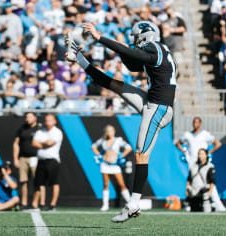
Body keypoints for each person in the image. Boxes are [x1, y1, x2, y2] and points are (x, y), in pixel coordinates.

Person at [67, 20, 176, 222]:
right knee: (115, 85)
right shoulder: (157, 50)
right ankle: (80, 59)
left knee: (141, 153)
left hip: (159, 108)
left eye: (136, 38)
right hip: (151, 102)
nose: (134, 42)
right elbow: (132, 61)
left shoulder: (155, 49)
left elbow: (132, 55)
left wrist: (99, 37)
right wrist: (83, 55)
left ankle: (134, 205)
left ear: (145, 36)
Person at [175, 117, 226, 212]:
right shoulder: (187, 135)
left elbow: (218, 143)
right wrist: (185, 152)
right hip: (193, 164)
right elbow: (178, 143)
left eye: (197, 122)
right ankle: (190, 203)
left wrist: (208, 153)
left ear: (200, 123)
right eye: (194, 122)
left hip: (204, 164)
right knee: (192, 184)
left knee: (209, 183)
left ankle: (217, 203)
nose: (195, 124)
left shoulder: (205, 134)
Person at [91, 125, 132, 211]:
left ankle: (130, 203)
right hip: (105, 164)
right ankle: (105, 205)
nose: (109, 132)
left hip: (115, 165)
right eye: (108, 131)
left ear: (114, 131)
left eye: (111, 131)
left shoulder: (118, 140)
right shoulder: (102, 140)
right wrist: (99, 155)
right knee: (106, 185)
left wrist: (121, 156)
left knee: (122, 184)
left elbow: (129, 148)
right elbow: (93, 146)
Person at [32, 114, 63, 211]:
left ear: (54, 121)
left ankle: (52, 204)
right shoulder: (40, 131)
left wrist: (40, 143)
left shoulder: (57, 132)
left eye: (50, 120)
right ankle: (40, 204)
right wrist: (44, 143)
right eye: (46, 120)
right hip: (41, 160)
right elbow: (34, 143)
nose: (47, 122)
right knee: (40, 183)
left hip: (52, 160)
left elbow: (50, 143)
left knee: (54, 183)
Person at [13, 112, 40, 210]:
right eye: (26, 117)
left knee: (37, 181)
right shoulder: (22, 129)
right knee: (23, 181)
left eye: (30, 117)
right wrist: (15, 158)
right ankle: (24, 203)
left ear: (35, 118)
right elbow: (16, 143)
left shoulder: (39, 129)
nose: (27, 119)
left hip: (35, 158)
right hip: (23, 158)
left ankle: (35, 203)